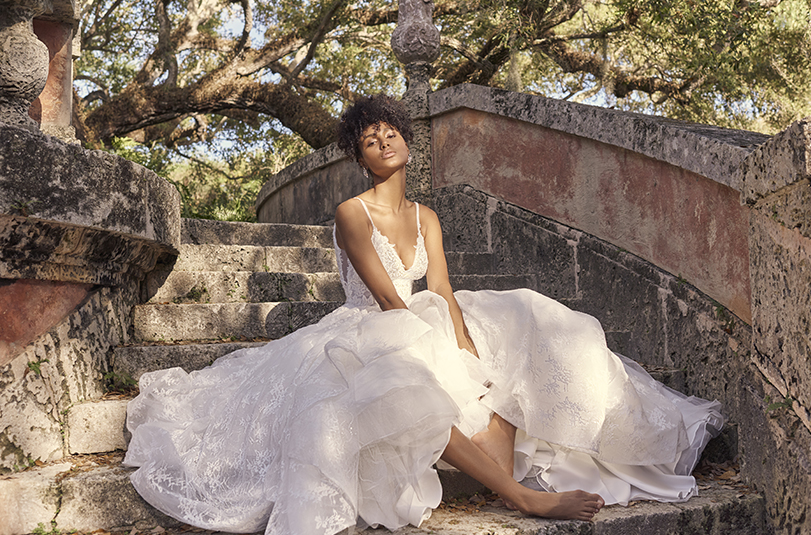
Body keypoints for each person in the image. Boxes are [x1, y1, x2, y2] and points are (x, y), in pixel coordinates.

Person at [124, 94, 723, 535]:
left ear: (406, 140)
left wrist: (465, 346)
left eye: (389, 132)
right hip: (371, 329)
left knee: (528, 323)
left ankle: (549, 446)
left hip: (428, 315)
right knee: (412, 375)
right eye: (369, 140)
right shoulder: (350, 212)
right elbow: (388, 297)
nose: (383, 141)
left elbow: (440, 286)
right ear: (359, 157)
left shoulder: (427, 216)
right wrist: (435, 346)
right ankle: (520, 497)